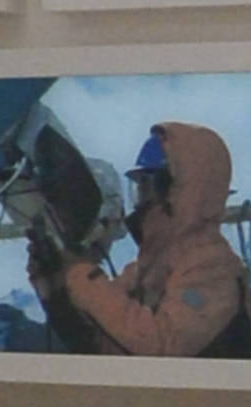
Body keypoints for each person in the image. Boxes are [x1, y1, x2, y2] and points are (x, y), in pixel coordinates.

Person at [27, 122, 251, 357]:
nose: (140, 198)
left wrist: (81, 274)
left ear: (176, 190)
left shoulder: (211, 268)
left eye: (146, 184)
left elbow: (163, 347)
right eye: (137, 186)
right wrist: (55, 292)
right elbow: (106, 349)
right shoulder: (145, 270)